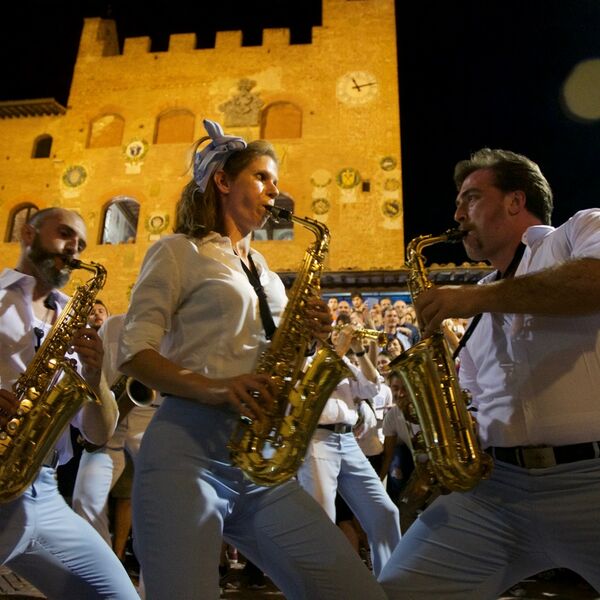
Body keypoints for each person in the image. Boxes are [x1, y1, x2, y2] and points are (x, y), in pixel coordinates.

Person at [117, 119, 386, 599]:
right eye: (263, 177)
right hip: (187, 455)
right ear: (223, 181)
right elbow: (134, 353)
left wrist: (307, 336)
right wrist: (219, 388)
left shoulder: (265, 271)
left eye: (276, 183)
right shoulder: (177, 251)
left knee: (351, 590)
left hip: (261, 461)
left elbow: (275, 356)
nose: (274, 192)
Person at [379, 148, 600, 598]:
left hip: (590, 484)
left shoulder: (578, 231)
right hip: (495, 491)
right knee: (399, 589)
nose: (458, 213)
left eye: (471, 198)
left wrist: (472, 299)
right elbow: (477, 396)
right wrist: (441, 415)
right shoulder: (478, 300)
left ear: (515, 202)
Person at [0, 207, 139, 599]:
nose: (73, 248)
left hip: (42, 492)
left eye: (80, 242)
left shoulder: (73, 322)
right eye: (64, 234)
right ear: (28, 233)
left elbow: (96, 434)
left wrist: (95, 380)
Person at [297, 315, 401, 578]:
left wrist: (358, 351)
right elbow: (307, 389)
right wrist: (340, 349)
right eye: (321, 327)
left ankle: (389, 585)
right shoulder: (299, 359)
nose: (327, 330)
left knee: (385, 513)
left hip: (348, 441)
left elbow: (372, 387)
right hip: (317, 440)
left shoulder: (340, 358)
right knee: (323, 521)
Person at [72, 313, 157, 560]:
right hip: (114, 416)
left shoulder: (179, 327)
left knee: (158, 508)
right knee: (85, 500)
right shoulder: (113, 325)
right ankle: (105, 567)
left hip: (153, 420)